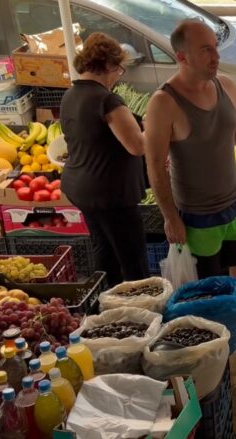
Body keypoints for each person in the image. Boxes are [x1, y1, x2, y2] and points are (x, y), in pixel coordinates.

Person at [144, 19, 236, 347]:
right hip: (197, 215)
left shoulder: (226, 86)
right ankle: (213, 339)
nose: (215, 56)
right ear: (182, 57)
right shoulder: (163, 103)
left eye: (215, 48)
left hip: (234, 203)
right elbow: (154, 166)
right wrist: (170, 215)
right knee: (209, 285)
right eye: (205, 50)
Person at [60, 32, 149, 287]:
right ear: (109, 65)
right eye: (119, 69)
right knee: (133, 260)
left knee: (105, 251)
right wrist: (155, 124)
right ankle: (141, 311)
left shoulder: (71, 95)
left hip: (80, 187)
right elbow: (137, 145)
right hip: (111, 193)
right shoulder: (106, 99)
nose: (118, 75)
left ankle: (107, 306)